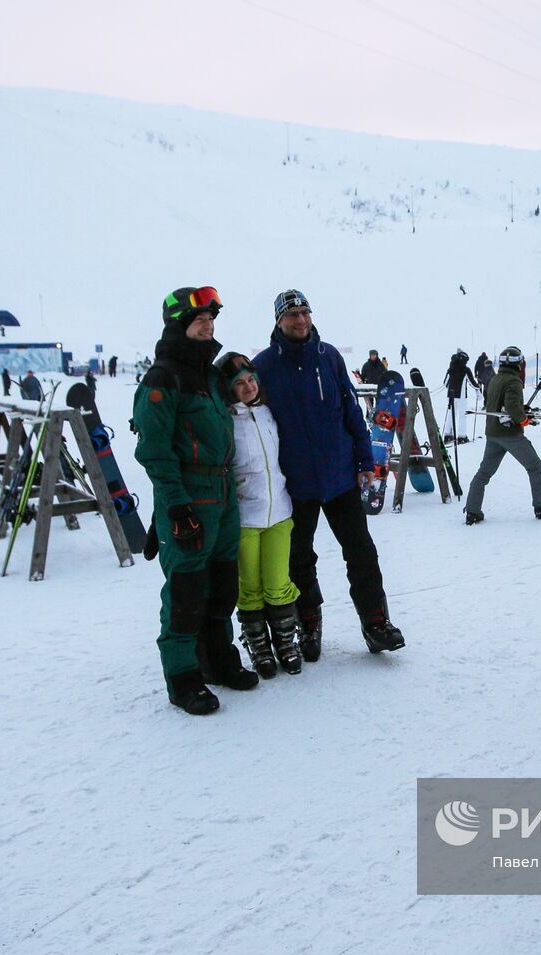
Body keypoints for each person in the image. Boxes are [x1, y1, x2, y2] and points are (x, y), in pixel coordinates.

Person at [252, 289, 405, 659]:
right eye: (292, 315)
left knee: (361, 552)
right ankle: (309, 624)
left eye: (305, 312)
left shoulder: (329, 357)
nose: (301, 320)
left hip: (340, 478)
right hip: (295, 484)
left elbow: (353, 412)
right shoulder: (264, 366)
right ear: (278, 320)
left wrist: (365, 461)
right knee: (299, 559)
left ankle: (376, 622)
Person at [133, 285, 256, 716]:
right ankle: (183, 677)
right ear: (178, 326)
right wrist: (176, 506)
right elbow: (154, 451)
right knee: (186, 590)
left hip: (223, 495)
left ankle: (218, 660)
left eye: (211, 320)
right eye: (199, 320)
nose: (208, 326)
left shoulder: (208, 375)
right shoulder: (163, 380)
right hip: (190, 496)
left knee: (223, 585)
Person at [219, 351, 305, 677]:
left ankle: (285, 641)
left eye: (251, 380)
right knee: (249, 588)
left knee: (278, 583)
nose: (248, 387)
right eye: (239, 383)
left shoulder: (268, 413)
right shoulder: (225, 419)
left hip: (279, 513)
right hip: (245, 518)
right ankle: (259, 646)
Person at [462, 345, 541, 525]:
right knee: (534, 466)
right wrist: (523, 419)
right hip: (509, 435)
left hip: (493, 434)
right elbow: (511, 406)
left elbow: (500, 404)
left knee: (484, 472)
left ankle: (472, 510)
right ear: (518, 364)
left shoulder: (495, 379)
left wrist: (522, 411)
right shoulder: (514, 381)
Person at [443, 349, 478, 444]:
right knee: (462, 415)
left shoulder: (450, 369)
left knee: (450, 415)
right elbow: (472, 382)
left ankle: (447, 435)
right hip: (462, 396)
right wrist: (478, 389)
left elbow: (445, 383)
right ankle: (462, 436)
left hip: (450, 396)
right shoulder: (466, 370)